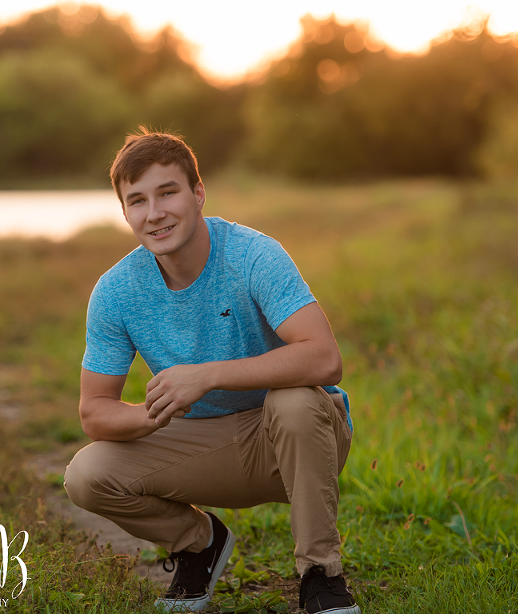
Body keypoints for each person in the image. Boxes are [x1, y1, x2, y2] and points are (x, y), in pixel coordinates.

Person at [64, 128, 359, 614]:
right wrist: (155, 412)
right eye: (137, 201)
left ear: (198, 193)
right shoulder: (116, 291)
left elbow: (325, 358)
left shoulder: (252, 254)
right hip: (205, 443)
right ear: (125, 213)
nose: (154, 213)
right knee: (86, 474)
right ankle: (198, 544)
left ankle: (320, 573)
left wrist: (206, 376)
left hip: (295, 438)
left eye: (168, 192)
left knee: (294, 400)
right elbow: (94, 412)